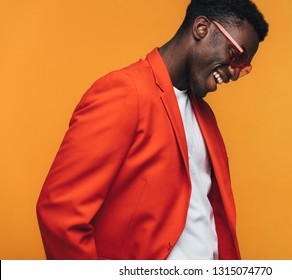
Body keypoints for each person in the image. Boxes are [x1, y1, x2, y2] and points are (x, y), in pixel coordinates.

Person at [36, 0, 268, 260]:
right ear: (202, 28)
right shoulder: (125, 92)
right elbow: (60, 213)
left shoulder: (205, 116)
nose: (235, 73)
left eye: (243, 67)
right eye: (236, 55)